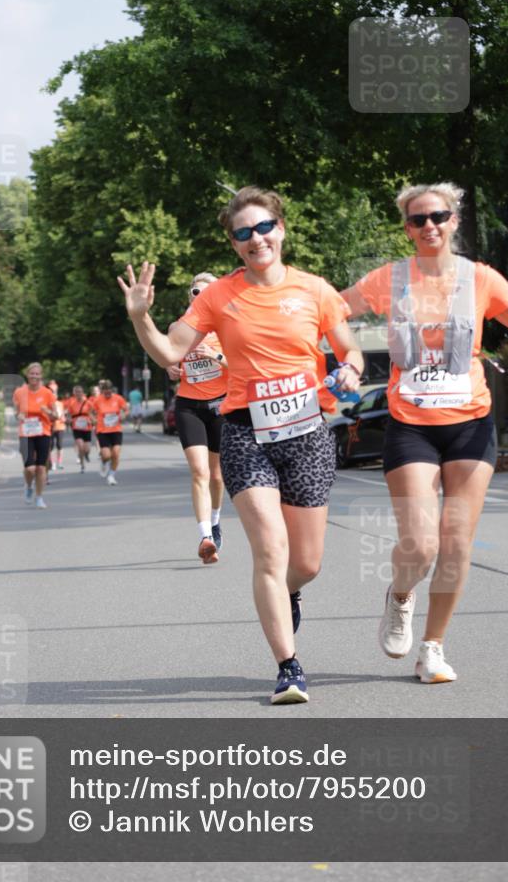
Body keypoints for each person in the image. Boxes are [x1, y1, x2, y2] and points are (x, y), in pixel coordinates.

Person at [118, 186, 363, 704]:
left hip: (307, 434)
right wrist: (141, 317)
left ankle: (288, 592)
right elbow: (169, 349)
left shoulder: (315, 290)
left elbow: (349, 350)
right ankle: (288, 668)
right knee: (270, 551)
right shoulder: (217, 297)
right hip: (245, 432)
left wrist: (353, 372)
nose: (256, 240)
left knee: (308, 563)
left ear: (281, 228)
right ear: (233, 244)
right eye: (242, 233)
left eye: (263, 228)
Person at [342, 182, 508, 684]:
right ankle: (401, 595)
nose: (429, 226)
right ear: (407, 228)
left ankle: (433, 647)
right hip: (412, 425)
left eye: (438, 216)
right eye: (417, 220)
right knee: (421, 544)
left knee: (455, 544)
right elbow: (328, 311)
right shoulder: (389, 280)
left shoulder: (482, 279)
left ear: (454, 220)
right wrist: (343, 355)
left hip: (471, 424)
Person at [167, 272, 228, 564]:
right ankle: (204, 536)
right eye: (195, 291)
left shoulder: (227, 327)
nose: (200, 296)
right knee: (199, 472)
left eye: (207, 291)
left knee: (216, 476)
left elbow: (242, 366)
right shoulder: (179, 327)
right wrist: (169, 367)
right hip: (188, 404)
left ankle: (215, 522)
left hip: (220, 405)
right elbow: (168, 356)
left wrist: (215, 356)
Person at [13, 363, 57, 508]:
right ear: (27, 374)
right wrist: (18, 415)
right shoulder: (19, 392)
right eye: (32, 373)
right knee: (30, 468)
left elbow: (56, 416)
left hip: (43, 432)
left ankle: (39, 497)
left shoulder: (47, 393)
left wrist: (48, 412)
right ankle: (28, 486)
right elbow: (16, 412)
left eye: (37, 374)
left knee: (41, 468)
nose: (34, 376)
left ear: (41, 376)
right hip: (25, 434)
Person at [92, 380, 129, 485]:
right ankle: (104, 463)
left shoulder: (118, 398)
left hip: (116, 429)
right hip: (102, 430)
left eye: (109, 392)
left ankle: (111, 475)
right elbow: (91, 412)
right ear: (102, 391)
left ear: (112, 390)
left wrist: (124, 415)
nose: (107, 394)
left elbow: (126, 409)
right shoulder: (97, 400)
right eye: (105, 392)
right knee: (106, 455)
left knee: (116, 453)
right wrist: (93, 419)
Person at [65, 385, 94, 472]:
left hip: (87, 427)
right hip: (76, 427)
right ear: (74, 393)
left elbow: (94, 413)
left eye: (79, 392)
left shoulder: (88, 403)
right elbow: (68, 415)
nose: (78, 394)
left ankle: (86, 454)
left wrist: (92, 420)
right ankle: (82, 465)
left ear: (82, 393)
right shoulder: (72, 404)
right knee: (80, 447)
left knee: (87, 448)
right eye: (76, 392)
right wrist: (68, 420)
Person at [48, 381, 66, 471]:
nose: (54, 395)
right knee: (50, 446)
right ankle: (52, 463)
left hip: (60, 427)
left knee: (60, 445)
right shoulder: (47, 404)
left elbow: (62, 414)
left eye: (55, 393)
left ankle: (59, 462)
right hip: (50, 427)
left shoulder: (60, 404)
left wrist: (63, 418)